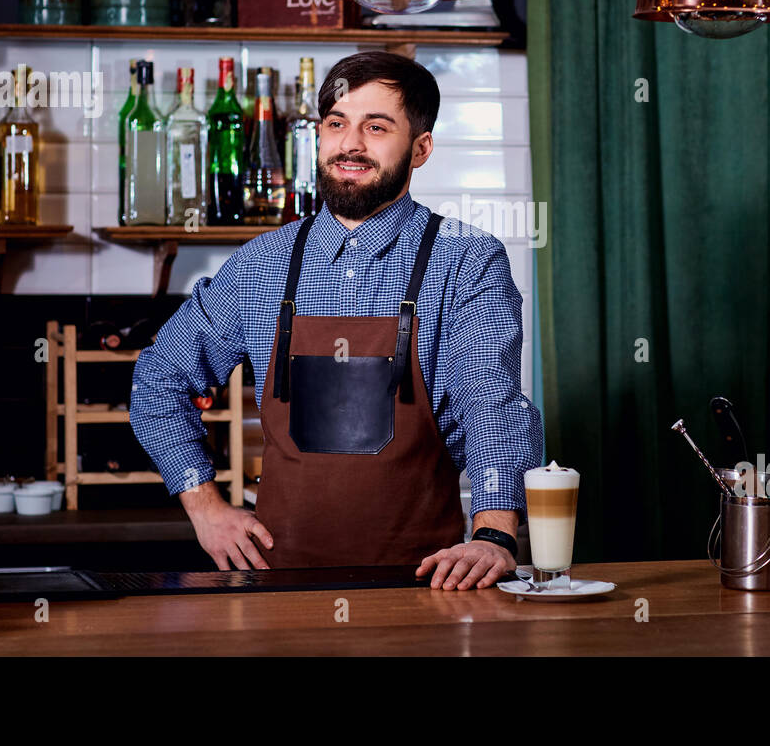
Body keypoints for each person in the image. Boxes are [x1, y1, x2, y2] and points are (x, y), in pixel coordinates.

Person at [130, 51, 544, 590]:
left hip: (428, 583)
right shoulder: (261, 263)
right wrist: (204, 505)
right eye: (336, 124)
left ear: (420, 149)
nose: (351, 143)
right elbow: (159, 379)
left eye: (376, 127)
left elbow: (492, 405)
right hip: (277, 582)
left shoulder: (465, 260)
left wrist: (493, 534)